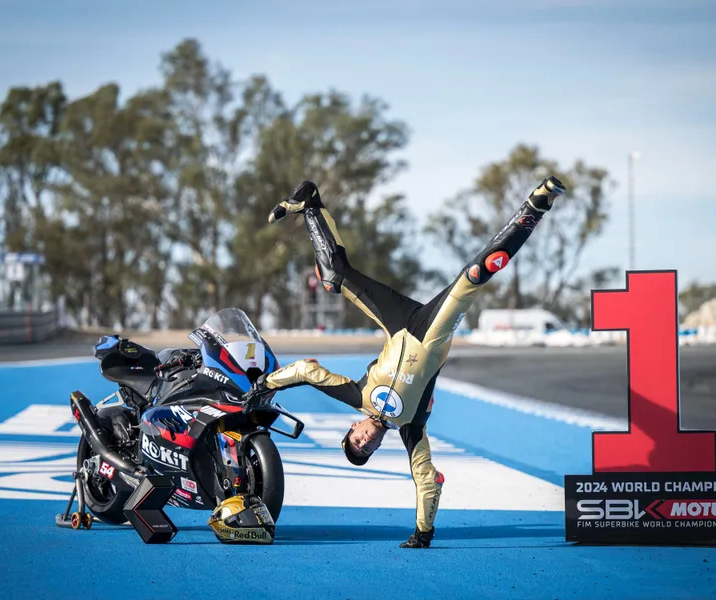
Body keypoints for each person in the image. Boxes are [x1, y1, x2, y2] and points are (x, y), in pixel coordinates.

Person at [241, 176, 565, 548]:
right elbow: (427, 477)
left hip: (398, 325)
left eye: (357, 440)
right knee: (478, 273)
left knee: (334, 277)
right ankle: (538, 204)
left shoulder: (357, 396)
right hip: (430, 333)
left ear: (354, 426)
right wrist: (424, 532)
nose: (365, 441)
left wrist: (263, 386)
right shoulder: (411, 424)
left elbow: (308, 371)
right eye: (368, 449)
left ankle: (309, 203)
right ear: (378, 448)